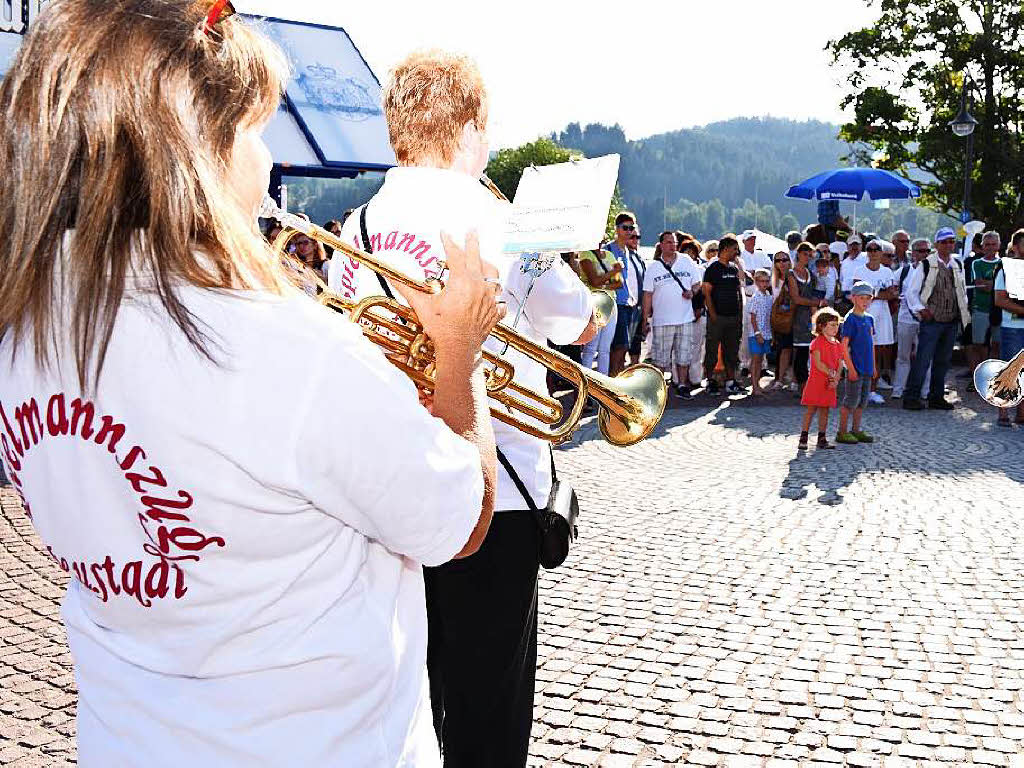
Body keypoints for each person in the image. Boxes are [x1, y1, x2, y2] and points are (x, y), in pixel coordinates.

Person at [0, 3, 507, 766]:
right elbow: (463, 521)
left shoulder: (20, 335)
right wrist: (457, 354)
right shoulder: (289, 353)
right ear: (197, 149)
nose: (265, 161)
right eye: (255, 130)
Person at [332, 49, 597, 767]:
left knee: (409, 704)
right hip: (496, 492)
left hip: (385, 503)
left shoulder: (351, 229)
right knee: (488, 713)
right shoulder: (500, 217)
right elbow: (573, 323)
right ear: (472, 127)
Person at [902, 227, 971, 411]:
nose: (949, 244)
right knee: (923, 360)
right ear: (936, 244)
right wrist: (921, 310)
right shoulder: (926, 264)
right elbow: (911, 292)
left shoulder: (958, 264)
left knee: (943, 361)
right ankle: (911, 396)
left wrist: (962, 311)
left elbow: (961, 290)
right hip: (931, 320)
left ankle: (936, 397)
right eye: (945, 241)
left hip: (951, 320)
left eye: (951, 241)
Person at [642, 232, 702, 399]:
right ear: (661, 245)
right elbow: (647, 295)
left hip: (685, 318)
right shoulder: (653, 267)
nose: (672, 245)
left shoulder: (686, 261)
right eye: (668, 242)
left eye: (674, 242)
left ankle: (682, 384)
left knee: (684, 355)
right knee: (660, 358)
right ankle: (659, 389)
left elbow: (697, 283)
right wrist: (645, 319)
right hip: (662, 320)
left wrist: (692, 291)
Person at [851, 240, 898, 404]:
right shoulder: (859, 270)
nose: (873, 252)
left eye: (876, 249)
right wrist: (880, 293)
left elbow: (892, 294)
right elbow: (856, 293)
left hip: (882, 316)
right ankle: (857, 390)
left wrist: (871, 293)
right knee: (860, 353)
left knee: (876, 353)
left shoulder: (887, 272)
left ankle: (872, 390)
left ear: (881, 252)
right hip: (863, 315)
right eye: (869, 249)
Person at [798, 308, 847, 449]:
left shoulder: (837, 344)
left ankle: (822, 437)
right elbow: (818, 363)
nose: (835, 328)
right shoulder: (817, 342)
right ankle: (804, 437)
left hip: (830, 383)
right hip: (817, 381)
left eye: (837, 325)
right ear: (821, 326)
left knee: (825, 410)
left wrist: (836, 377)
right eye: (832, 324)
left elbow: (839, 363)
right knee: (811, 409)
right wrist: (832, 374)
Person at [702, 235, 745, 395]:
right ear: (725, 249)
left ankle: (730, 381)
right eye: (734, 249)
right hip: (717, 317)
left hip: (733, 317)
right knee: (712, 350)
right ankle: (710, 380)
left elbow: (738, 292)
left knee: (732, 351)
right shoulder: (712, 269)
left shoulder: (733, 269)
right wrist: (712, 314)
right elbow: (706, 293)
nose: (737, 252)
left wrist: (739, 315)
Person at [892, 239, 933, 400]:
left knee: (926, 356)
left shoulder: (934, 272)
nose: (924, 254)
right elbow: (892, 288)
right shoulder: (903, 271)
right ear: (913, 252)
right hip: (906, 318)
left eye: (927, 251)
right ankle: (899, 388)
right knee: (903, 355)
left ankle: (925, 390)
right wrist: (897, 295)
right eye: (921, 251)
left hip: (926, 320)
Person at [836, 283, 877, 444]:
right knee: (851, 401)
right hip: (855, 367)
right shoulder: (850, 319)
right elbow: (844, 347)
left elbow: (871, 344)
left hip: (867, 367)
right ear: (853, 298)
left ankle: (856, 429)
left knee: (862, 401)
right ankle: (842, 431)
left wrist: (873, 366)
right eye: (861, 298)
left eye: (868, 298)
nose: (865, 301)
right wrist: (850, 368)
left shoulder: (869, 318)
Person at [993, 228, 1024, 427]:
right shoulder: (1006, 268)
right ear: (1015, 247)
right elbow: (999, 300)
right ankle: (1003, 413)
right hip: (1012, 327)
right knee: (1009, 370)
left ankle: (1021, 414)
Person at [606, 212, 643, 377]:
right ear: (617, 229)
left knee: (623, 346)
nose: (629, 231)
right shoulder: (608, 249)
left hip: (629, 305)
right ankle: (612, 380)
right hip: (614, 303)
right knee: (617, 347)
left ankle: (617, 380)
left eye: (632, 228)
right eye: (625, 228)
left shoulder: (628, 251)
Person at [788, 243, 827, 392]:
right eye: (805, 254)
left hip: (810, 316)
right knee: (800, 353)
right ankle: (801, 386)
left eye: (810, 255)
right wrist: (816, 302)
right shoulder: (791, 274)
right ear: (798, 254)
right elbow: (796, 298)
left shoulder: (811, 274)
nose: (807, 257)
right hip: (796, 316)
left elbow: (815, 293)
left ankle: (808, 385)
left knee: (811, 352)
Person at [575, 246, 621, 374]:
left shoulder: (609, 254)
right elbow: (594, 281)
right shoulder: (586, 253)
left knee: (605, 349)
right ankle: (586, 382)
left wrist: (603, 284)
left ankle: (602, 383)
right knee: (590, 347)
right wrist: (613, 272)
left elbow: (619, 283)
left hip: (611, 304)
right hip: (595, 304)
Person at [967, 231, 1003, 383]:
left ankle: (993, 377)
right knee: (978, 344)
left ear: (999, 245)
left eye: (993, 244)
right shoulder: (977, 263)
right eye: (987, 244)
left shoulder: (1004, 263)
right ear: (982, 246)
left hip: (1000, 310)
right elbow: (980, 285)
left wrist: (990, 284)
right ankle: (979, 377)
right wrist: (995, 285)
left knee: (996, 344)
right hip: (980, 309)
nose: (990, 247)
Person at [770, 250, 795, 391]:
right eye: (778, 260)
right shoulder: (773, 280)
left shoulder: (794, 277)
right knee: (782, 349)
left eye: (784, 260)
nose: (781, 263)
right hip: (780, 319)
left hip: (794, 316)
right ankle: (779, 378)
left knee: (794, 349)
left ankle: (793, 379)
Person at [747, 269, 774, 396]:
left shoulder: (769, 296)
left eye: (767, 281)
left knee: (760, 359)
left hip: (767, 332)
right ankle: (754, 386)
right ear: (756, 282)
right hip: (756, 333)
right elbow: (752, 317)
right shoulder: (755, 297)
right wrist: (757, 333)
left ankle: (757, 384)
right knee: (756, 359)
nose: (764, 283)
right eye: (762, 281)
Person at [625, 228, 647, 368]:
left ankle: (634, 369)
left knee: (636, 343)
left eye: (637, 237)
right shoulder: (619, 255)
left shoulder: (638, 258)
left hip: (638, 307)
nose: (635, 240)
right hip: (625, 306)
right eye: (632, 237)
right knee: (620, 345)